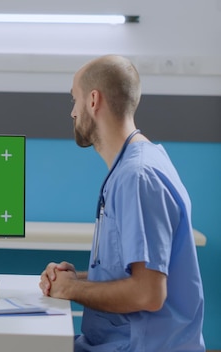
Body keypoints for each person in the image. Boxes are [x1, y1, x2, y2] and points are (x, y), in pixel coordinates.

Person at [39, 55, 205, 351]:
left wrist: (73, 289)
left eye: (74, 100)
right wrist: (73, 278)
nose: (72, 113)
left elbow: (148, 294)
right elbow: (130, 273)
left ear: (93, 100)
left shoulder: (137, 177)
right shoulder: (137, 165)